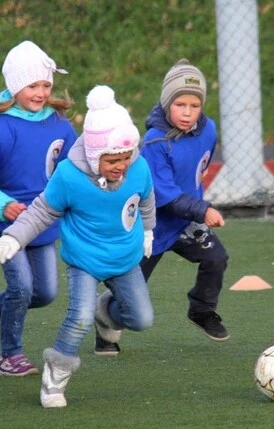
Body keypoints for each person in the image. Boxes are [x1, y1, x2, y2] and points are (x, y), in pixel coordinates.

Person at [0, 85, 156, 408]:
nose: (121, 166)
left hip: (125, 258)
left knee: (142, 319)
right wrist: (14, 237)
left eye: (126, 157)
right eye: (112, 160)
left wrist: (148, 231)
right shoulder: (69, 176)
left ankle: (107, 313)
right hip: (85, 261)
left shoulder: (138, 168)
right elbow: (40, 211)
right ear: (94, 156)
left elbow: (146, 199)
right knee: (79, 316)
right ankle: (57, 373)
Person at [94, 59, 229, 356]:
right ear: (167, 103)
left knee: (216, 258)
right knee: (130, 304)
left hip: (185, 223)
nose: (187, 112)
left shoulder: (209, 130)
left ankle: (202, 311)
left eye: (195, 106)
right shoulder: (156, 142)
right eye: (180, 104)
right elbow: (166, 196)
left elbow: (199, 165)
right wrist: (203, 209)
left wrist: (196, 199)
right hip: (151, 227)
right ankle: (104, 315)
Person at [0, 41, 77, 377]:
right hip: (8, 225)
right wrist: (5, 206)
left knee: (44, 292)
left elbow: (73, 167)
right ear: (15, 87)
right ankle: (8, 355)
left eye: (46, 85)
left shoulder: (59, 124)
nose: (41, 92)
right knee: (22, 288)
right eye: (33, 85)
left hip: (41, 223)